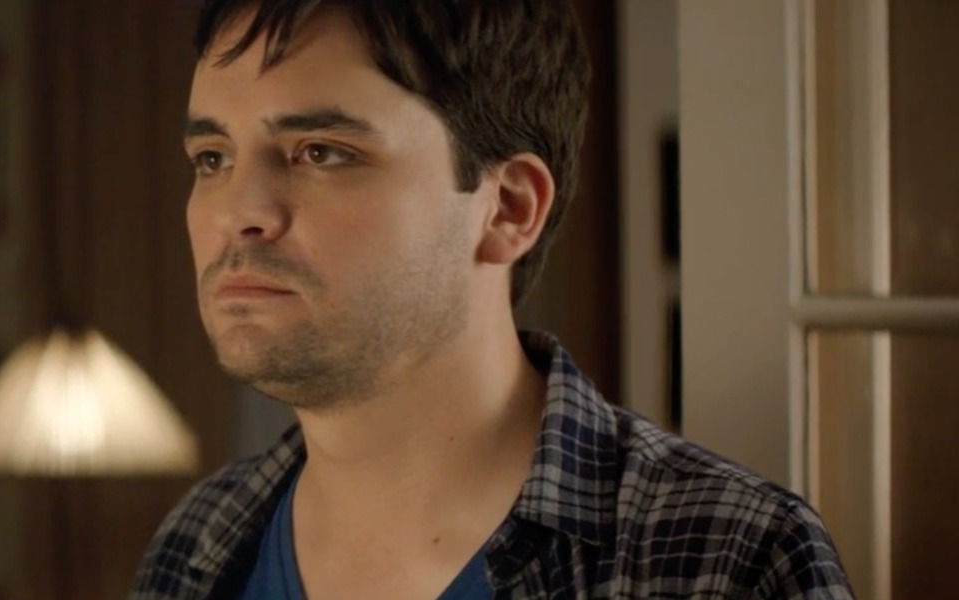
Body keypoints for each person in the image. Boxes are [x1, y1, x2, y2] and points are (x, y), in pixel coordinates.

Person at [130, 1, 854, 599]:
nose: (238, 211)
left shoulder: (726, 560)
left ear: (508, 207)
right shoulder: (199, 544)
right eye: (212, 159)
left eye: (321, 151)